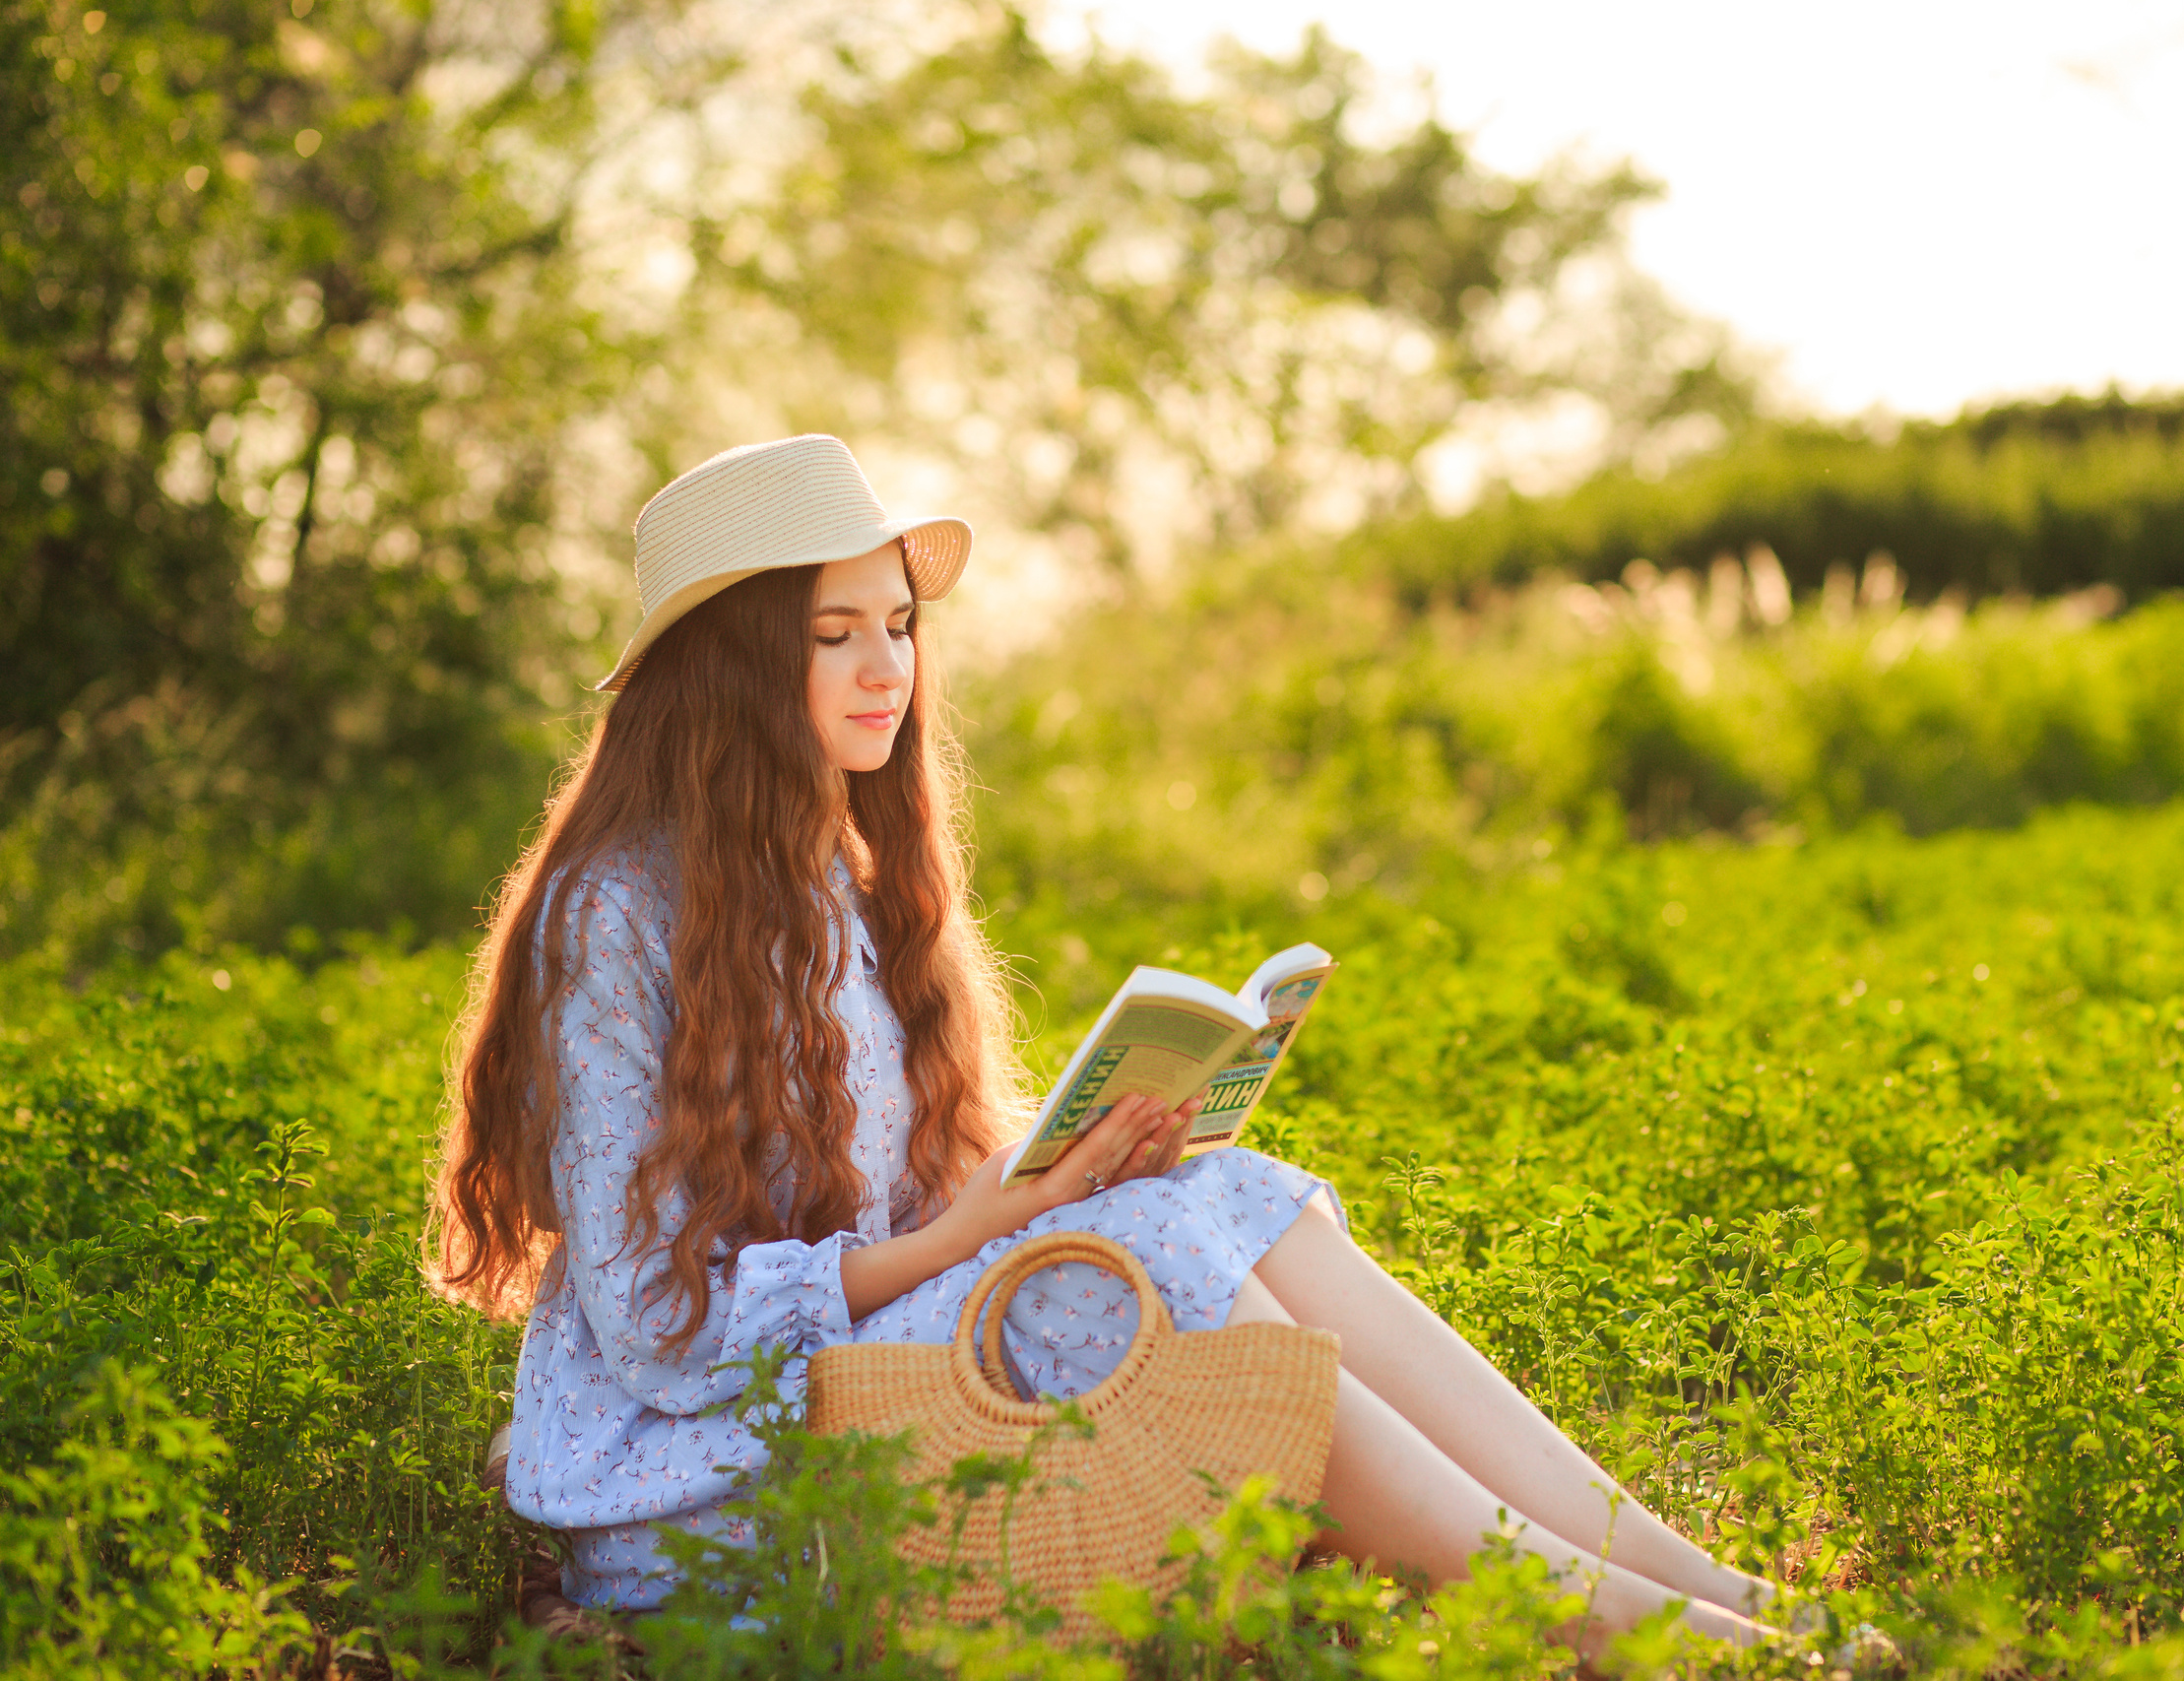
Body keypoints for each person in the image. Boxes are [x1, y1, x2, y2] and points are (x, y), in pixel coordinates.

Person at [430, 435, 1780, 1659]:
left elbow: (920, 1200)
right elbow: (663, 1340)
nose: (885, 666)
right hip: (701, 1491)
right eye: (832, 633)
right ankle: (1634, 1633)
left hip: (870, 1391)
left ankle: (1695, 1581)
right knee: (1143, 1247)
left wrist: (1079, 1161)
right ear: (727, 665)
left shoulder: (838, 881)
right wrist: (989, 1229)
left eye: (898, 626)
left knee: (1219, 1197)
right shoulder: (608, 916)